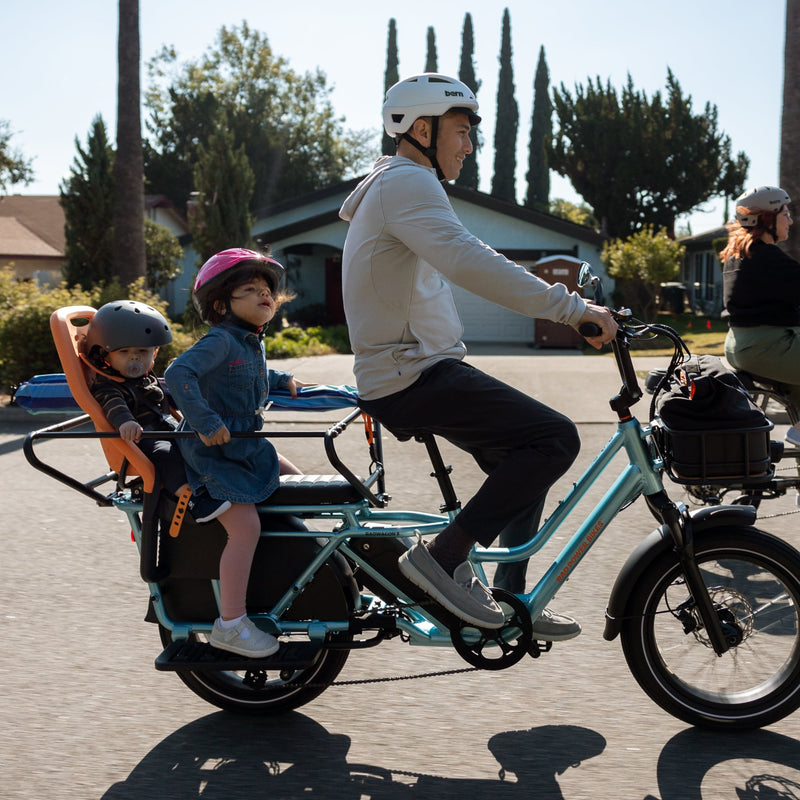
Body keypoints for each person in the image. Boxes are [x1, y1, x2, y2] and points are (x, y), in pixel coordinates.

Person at [339, 73, 617, 635]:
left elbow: (461, 259)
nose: (468, 145)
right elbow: (471, 260)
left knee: (527, 460)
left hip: (418, 369)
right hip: (410, 375)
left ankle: (514, 603)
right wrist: (571, 309)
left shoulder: (401, 184)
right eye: (461, 131)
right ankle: (441, 559)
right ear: (422, 129)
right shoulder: (404, 183)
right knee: (554, 439)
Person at [164, 248, 305, 658]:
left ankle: (297, 566)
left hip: (245, 448)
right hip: (213, 456)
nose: (265, 295)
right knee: (245, 528)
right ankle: (231, 623)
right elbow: (178, 373)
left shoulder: (251, 342)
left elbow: (253, 376)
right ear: (223, 303)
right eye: (251, 289)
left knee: (297, 483)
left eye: (267, 289)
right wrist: (207, 422)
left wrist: (283, 378)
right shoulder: (222, 339)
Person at [85, 300, 230, 524]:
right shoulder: (109, 385)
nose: (135, 358)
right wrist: (126, 422)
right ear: (105, 356)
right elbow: (114, 405)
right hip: (142, 438)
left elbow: (168, 397)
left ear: (154, 353)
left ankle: (216, 483)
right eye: (124, 352)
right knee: (166, 453)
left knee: (199, 442)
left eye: (142, 351)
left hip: (165, 427)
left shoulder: (146, 378)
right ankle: (191, 501)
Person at [721, 185, 800, 446]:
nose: (790, 220)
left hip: (742, 346)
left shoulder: (740, 255)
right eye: (785, 213)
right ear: (766, 219)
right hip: (765, 348)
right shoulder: (766, 258)